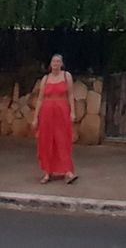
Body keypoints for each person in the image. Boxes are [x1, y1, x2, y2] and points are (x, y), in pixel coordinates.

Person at [32, 54, 77, 184]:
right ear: (50, 63)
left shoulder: (66, 76)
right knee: (46, 140)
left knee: (62, 140)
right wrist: (35, 117)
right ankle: (47, 172)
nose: (56, 64)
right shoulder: (45, 79)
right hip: (47, 112)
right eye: (54, 61)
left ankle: (67, 171)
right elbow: (40, 99)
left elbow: (70, 95)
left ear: (61, 64)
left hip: (62, 111)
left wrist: (72, 112)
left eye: (58, 61)